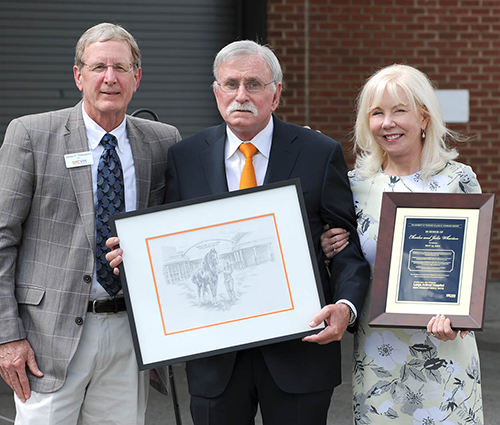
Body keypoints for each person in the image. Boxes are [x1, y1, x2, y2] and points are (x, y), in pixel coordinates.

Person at [107, 40, 370, 425]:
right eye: (231, 84)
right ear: (216, 92)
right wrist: (132, 258)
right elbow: (172, 248)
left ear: (276, 93)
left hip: (300, 351)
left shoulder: (319, 152)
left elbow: (347, 248)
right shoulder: (185, 156)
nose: (241, 95)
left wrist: (345, 308)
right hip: (215, 362)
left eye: (254, 84)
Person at [0, 23, 180, 424]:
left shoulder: (163, 141)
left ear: (137, 76)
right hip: (48, 338)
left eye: (121, 67)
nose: (110, 78)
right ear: (78, 74)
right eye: (99, 67)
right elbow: (1, 239)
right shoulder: (31, 134)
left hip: (127, 337)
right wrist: (7, 335)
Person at [319, 64, 484, 424]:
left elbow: (472, 268)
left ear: (424, 118)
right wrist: (330, 249)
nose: (387, 123)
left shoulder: (458, 180)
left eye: (399, 111)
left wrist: (461, 318)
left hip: (446, 350)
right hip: (381, 355)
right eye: (376, 113)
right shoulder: (353, 187)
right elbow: (350, 265)